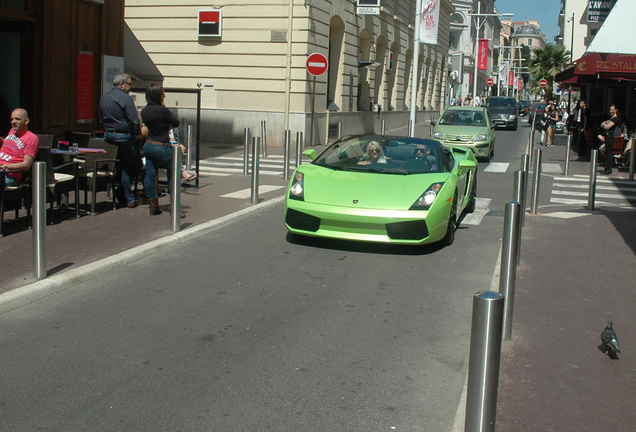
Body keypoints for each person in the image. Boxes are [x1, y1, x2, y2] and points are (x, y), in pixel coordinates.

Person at [141, 83, 195, 216]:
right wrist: (166, 123)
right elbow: (175, 122)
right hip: (161, 145)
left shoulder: (144, 111)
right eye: (162, 93)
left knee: (150, 174)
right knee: (174, 172)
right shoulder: (162, 110)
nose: (164, 95)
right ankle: (174, 205)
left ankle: (153, 205)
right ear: (157, 95)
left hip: (148, 144)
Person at [98, 73, 143, 208]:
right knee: (134, 165)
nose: (131, 87)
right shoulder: (126, 98)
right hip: (124, 136)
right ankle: (126, 195)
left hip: (109, 135)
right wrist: (137, 134)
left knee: (120, 166)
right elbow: (134, 120)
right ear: (122, 84)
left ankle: (124, 195)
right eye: (129, 84)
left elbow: (101, 119)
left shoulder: (104, 98)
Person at [0, 108, 40, 186]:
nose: (13, 122)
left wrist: (3, 166)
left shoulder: (32, 138)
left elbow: (26, 165)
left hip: (9, 175)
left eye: (17, 119)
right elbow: (10, 145)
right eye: (12, 119)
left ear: (26, 121)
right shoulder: (12, 131)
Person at [599, 105, 622, 174]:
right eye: (610, 110)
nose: (610, 111)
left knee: (609, 153)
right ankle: (607, 167)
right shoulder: (611, 118)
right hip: (607, 136)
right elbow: (602, 124)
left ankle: (608, 168)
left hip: (611, 136)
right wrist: (604, 124)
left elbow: (607, 127)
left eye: (612, 110)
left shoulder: (615, 119)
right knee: (607, 151)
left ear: (616, 110)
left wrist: (604, 124)